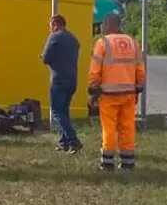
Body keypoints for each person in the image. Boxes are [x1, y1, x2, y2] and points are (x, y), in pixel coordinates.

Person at [87, 11, 146, 170]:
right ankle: (128, 161)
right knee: (127, 127)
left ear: (108, 25)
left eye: (103, 25)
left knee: (109, 128)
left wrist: (92, 91)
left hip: (108, 95)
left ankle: (107, 162)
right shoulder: (133, 43)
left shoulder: (103, 43)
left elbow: (95, 71)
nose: (102, 28)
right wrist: (138, 88)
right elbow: (140, 69)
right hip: (128, 94)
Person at [40, 14, 82, 154]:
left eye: (51, 26)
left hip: (58, 79)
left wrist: (42, 58)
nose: (50, 29)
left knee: (57, 112)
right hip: (72, 80)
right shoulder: (74, 39)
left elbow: (46, 58)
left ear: (56, 25)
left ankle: (73, 139)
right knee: (64, 111)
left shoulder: (54, 37)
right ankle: (64, 142)